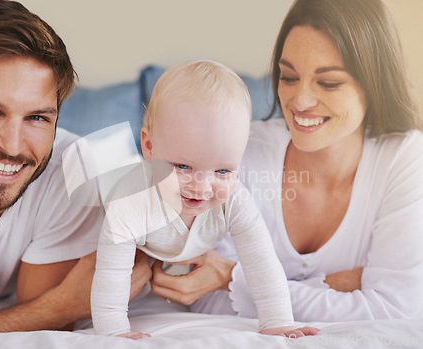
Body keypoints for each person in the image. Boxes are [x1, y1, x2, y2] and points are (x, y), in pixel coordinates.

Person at [150, 0, 423, 322]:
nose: (301, 101)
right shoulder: (240, 150)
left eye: (329, 82)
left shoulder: (405, 158)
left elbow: (395, 309)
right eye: (289, 77)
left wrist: (231, 277)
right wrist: (334, 285)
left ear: (374, 83)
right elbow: (204, 301)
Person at [0, 0, 149, 341]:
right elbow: (45, 313)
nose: (13, 146)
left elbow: (39, 332)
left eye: (37, 117)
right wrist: (58, 306)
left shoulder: (74, 172)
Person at [90, 60, 319, 339]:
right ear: (149, 146)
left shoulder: (235, 200)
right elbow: (111, 277)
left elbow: (262, 263)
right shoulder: (129, 200)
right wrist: (113, 331)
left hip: (170, 254)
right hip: (109, 237)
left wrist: (278, 321)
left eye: (222, 171)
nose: (201, 187)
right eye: (183, 167)